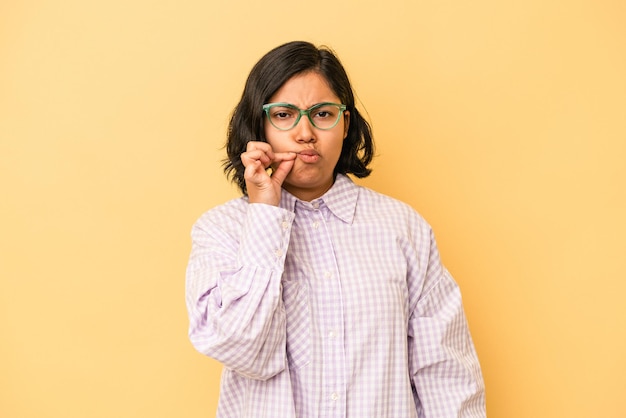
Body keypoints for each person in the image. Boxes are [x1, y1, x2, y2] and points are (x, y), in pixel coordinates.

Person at [185, 41, 486, 418]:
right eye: (283, 115)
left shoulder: (403, 228)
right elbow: (239, 346)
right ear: (258, 125)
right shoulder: (222, 229)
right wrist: (264, 212)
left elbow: (446, 374)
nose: (305, 132)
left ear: (345, 123)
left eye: (323, 113)